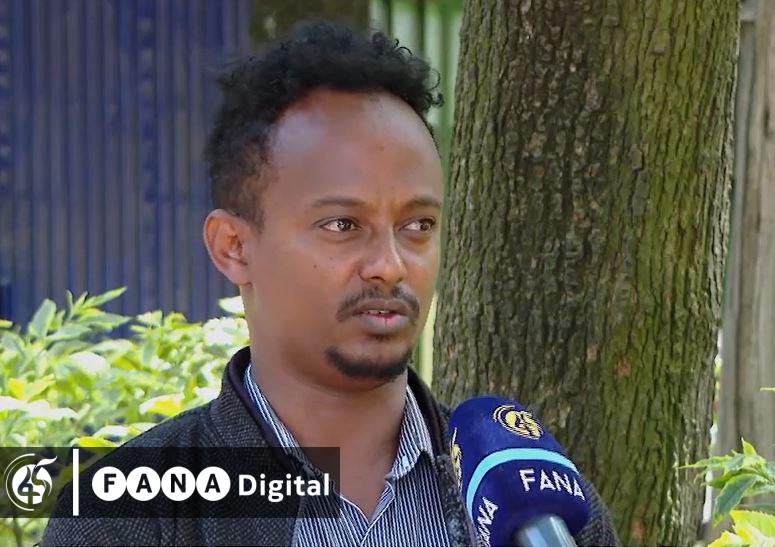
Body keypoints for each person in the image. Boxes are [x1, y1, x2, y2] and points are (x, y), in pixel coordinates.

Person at [43, 20, 618, 546]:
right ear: (233, 247)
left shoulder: (538, 505)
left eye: (418, 225)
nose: (391, 265)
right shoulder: (126, 515)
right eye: (343, 225)